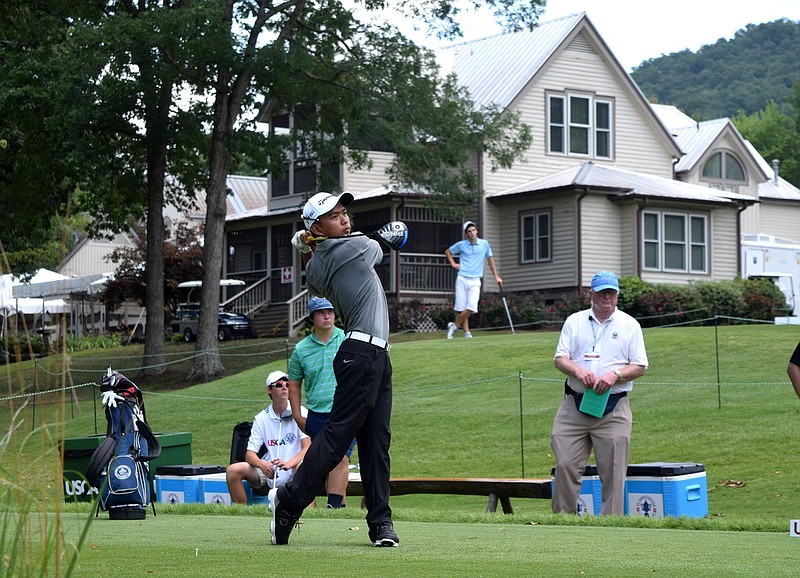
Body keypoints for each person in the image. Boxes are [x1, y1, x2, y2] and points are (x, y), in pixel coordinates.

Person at [272, 191, 398, 547]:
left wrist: (306, 242)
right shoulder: (350, 248)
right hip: (360, 353)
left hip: (373, 357)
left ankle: (381, 524)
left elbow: (313, 253)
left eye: (345, 213)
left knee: (376, 444)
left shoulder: (316, 264)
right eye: (335, 216)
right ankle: (290, 501)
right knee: (336, 440)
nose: (345, 220)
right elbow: (378, 247)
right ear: (318, 227)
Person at [551, 271, 649, 516]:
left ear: (617, 296)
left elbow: (640, 366)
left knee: (614, 473)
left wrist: (614, 376)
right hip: (575, 404)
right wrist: (578, 371)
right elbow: (560, 358)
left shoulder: (629, 324)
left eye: (612, 293)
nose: (608, 297)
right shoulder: (574, 321)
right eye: (603, 292)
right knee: (564, 464)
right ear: (591, 293)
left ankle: (609, 527)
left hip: (614, 407)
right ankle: (563, 522)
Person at [288, 296, 356, 509]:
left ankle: (334, 507)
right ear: (312, 318)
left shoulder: (347, 340)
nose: (327, 316)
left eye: (330, 311)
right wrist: (298, 415)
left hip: (345, 411)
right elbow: (294, 383)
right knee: (323, 463)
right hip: (316, 415)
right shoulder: (301, 349)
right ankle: (335, 510)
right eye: (321, 312)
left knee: (340, 458)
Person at [226, 371, 311, 505]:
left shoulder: (301, 412)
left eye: (287, 384)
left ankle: (308, 514)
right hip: (270, 470)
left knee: (304, 467)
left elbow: (307, 447)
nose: (284, 387)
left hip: (295, 466)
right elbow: (250, 454)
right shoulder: (261, 418)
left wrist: (289, 464)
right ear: (269, 390)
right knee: (233, 470)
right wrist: (263, 465)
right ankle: (241, 513)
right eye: (279, 384)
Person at [444, 220, 502, 339]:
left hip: (475, 280)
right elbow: (448, 252)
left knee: (471, 307)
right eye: (469, 231)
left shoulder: (484, 244)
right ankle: (467, 333)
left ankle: (454, 326)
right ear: (466, 234)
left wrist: (496, 276)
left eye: (473, 230)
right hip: (462, 278)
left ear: (476, 231)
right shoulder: (461, 245)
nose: (472, 233)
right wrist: (453, 264)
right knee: (462, 308)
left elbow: (490, 260)